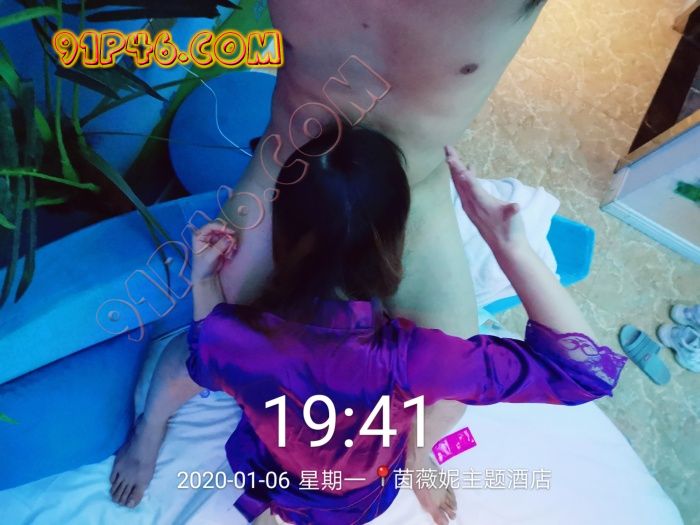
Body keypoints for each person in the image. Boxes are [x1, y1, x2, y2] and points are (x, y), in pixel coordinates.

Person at [111, 1, 557, 521]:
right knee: (213, 342)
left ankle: (415, 453)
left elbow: (556, 372)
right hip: (289, 179)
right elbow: (574, 369)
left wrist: (512, 250)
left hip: (414, 196)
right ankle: (151, 426)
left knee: (445, 396)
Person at [124, 126, 625, 524]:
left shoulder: (234, 341)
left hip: (273, 462)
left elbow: (204, 349)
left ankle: (159, 432)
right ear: (396, 238)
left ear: (279, 229)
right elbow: (584, 372)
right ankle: (416, 456)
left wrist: (204, 279)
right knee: (445, 402)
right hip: (361, 485)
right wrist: (508, 244)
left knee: (199, 368)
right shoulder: (419, 359)